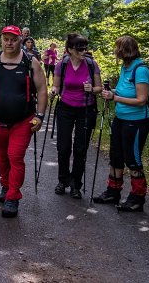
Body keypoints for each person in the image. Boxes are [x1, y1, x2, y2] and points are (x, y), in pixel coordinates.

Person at [0, 25, 48, 218]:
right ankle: (5, 185)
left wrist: (39, 116)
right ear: (1, 39)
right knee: (2, 156)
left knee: (15, 156)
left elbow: (42, 90)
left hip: (23, 120)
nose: (9, 43)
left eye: (14, 39)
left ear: (20, 41)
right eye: (6, 39)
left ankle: (13, 197)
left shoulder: (30, 62)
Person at [93, 35, 149, 211]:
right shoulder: (125, 68)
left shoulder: (140, 70)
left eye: (117, 48)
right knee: (116, 155)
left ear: (125, 50)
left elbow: (142, 100)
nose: (115, 51)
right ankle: (113, 191)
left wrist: (115, 97)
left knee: (132, 158)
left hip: (136, 121)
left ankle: (137, 197)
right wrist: (109, 92)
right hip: (121, 118)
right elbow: (121, 91)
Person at [49, 33, 102, 199]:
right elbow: (56, 86)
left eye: (85, 48)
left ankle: (75, 184)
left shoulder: (92, 64)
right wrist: (53, 92)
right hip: (65, 108)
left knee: (80, 148)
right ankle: (63, 180)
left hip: (86, 109)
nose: (83, 51)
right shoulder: (62, 64)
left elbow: (99, 88)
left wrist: (91, 89)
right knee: (63, 147)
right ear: (70, 49)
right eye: (79, 49)